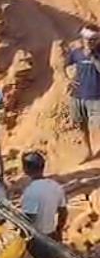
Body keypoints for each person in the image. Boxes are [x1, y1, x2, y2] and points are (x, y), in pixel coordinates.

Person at [66, 25, 100, 162]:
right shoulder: (76, 53)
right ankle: (88, 151)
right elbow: (65, 66)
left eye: (92, 39)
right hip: (78, 95)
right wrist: (68, 79)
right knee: (81, 124)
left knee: (97, 125)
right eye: (86, 39)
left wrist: (92, 57)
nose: (88, 42)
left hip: (96, 96)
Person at [20, 152, 67, 244]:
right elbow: (63, 212)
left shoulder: (30, 191)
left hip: (37, 240)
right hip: (52, 235)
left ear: (26, 169)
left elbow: (30, 219)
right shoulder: (55, 186)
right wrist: (58, 231)